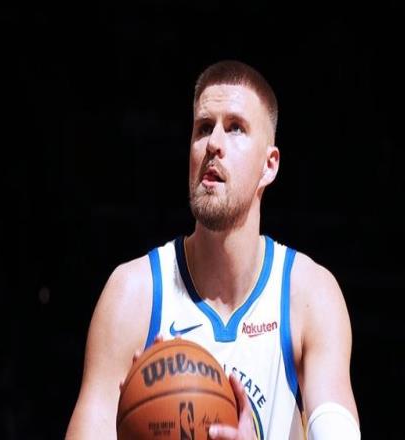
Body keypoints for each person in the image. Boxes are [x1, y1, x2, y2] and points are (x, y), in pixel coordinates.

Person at [65, 60, 360, 439]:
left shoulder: (310, 296)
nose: (213, 144)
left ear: (269, 165)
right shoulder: (133, 293)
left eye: (235, 128)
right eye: (204, 128)